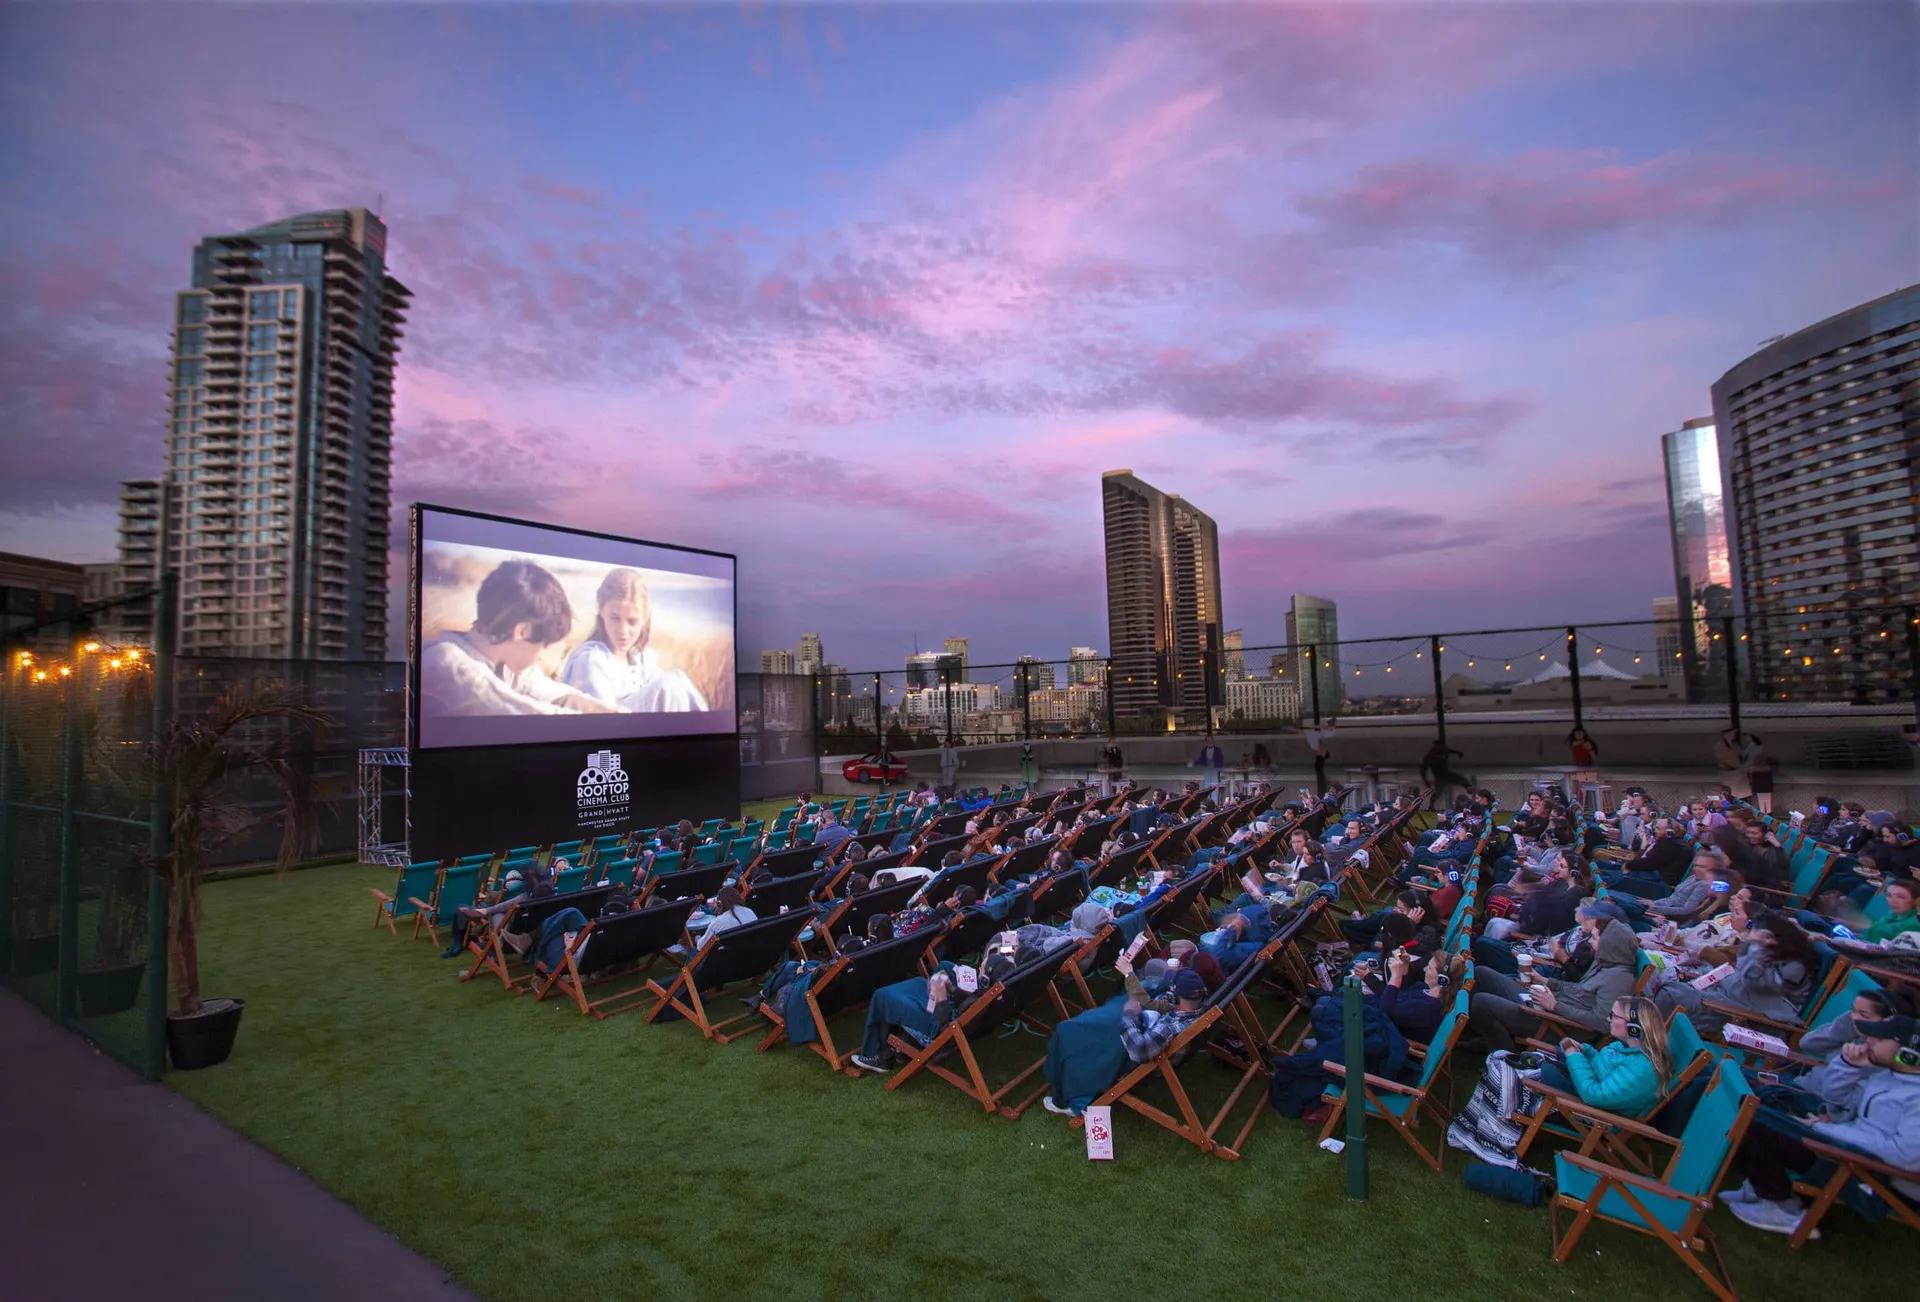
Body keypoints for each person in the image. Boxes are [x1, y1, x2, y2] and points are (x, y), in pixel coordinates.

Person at [1721, 1014, 1920, 1236]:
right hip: (1847, 1148)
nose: (1869, 1041)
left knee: (1751, 1118)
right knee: (1754, 1106)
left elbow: (1904, 1155)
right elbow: (1832, 1096)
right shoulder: (1890, 1075)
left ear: (1908, 1054)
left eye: (1880, 1039)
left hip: (1872, 1176)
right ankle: (1762, 1188)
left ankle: (1783, 1208)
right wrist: (1850, 1066)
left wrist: (1824, 1130)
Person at [1450, 996, 1675, 1167]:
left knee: (1506, 1071)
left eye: (1614, 1016)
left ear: (1634, 1028)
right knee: (1504, 1061)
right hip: (1579, 1089)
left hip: (1590, 1115)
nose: (1609, 1019)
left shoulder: (1643, 1070)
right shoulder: (1626, 1048)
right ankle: (1480, 1126)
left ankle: (1493, 1138)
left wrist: (1574, 1056)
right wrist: (1582, 1050)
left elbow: (1593, 1094)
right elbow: (1600, 1065)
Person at [419, 559, 616, 718]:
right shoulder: (445, 662)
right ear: (522, 632)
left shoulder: (504, 667)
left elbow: (557, 695)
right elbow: (524, 713)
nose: (541, 657)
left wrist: (612, 713)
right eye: (543, 645)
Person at [1040, 966, 1210, 1116]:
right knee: (1085, 1027)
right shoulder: (1197, 1011)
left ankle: (1071, 1099)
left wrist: (1130, 1015)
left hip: (1131, 1054)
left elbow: (1139, 1051)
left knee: (1073, 1035)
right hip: (1141, 1033)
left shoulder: (1169, 1027)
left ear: (1179, 996)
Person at [1467, 910, 1641, 1053]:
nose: (1589, 941)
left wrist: (1554, 1006)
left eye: (1594, 938)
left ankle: (1505, 1056)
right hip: (1547, 1004)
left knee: (1482, 1002)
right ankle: (1483, 1035)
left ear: (1610, 944)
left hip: (1556, 1025)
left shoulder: (1619, 979)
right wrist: (1546, 981)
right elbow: (1578, 990)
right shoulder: (1604, 963)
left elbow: (1602, 1023)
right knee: (1481, 973)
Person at [558, 568, 709, 712]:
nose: (623, 631)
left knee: (676, 680)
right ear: (601, 610)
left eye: (632, 621)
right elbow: (599, 724)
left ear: (644, 618)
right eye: (615, 618)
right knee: (669, 685)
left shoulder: (641, 659)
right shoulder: (590, 660)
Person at [1653, 911, 1817, 1036]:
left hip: (1732, 1012)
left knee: (1669, 994)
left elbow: (1752, 992)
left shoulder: (1790, 968)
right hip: (1718, 994)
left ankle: (1649, 1034)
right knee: (1664, 984)